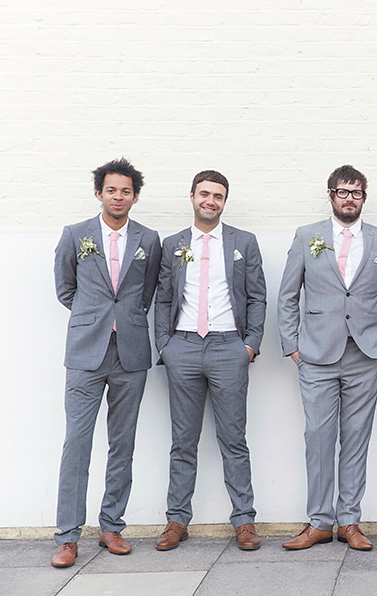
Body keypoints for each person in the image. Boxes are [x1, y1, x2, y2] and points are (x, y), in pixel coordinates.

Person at [277, 165, 377, 552]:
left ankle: (349, 521)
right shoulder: (306, 236)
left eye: (357, 193)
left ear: (364, 197)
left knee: (356, 439)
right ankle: (318, 522)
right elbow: (287, 295)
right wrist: (292, 346)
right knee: (318, 437)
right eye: (343, 192)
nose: (350, 199)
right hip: (316, 354)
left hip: (365, 353)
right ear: (330, 195)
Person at [51, 159, 161, 568]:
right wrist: (93, 317)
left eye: (126, 191)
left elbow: (147, 290)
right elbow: (66, 289)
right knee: (77, 443)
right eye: (112, 190)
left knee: (123, 443)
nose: (119, 197)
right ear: (100, 193)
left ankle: (111, 526)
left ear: (134, 196)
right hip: (85, 352)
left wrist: (125, 319)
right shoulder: (76, 235)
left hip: (130, 352)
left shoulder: (149, 239)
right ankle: (67, 537)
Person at [154, 171, 267, 552]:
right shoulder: (173, 244)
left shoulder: (243, 242)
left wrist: (249, 345)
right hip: (182, 347)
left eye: (218, 196)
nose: (211, 201)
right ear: (192, 197)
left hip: (227, 348)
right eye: (204, 194)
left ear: (224, 201)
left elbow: (256, 297)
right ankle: (176, 520)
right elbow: (163, 299)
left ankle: (245, 521)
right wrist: (165, 345)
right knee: (182, 441)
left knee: (234, 439)